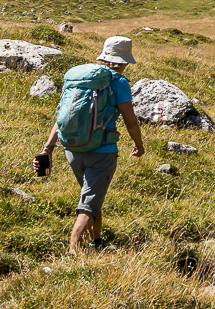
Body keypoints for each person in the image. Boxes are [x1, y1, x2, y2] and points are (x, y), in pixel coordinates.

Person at [36, 36, 144, 256]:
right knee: (88, 205)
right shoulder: (118, 82)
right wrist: (139, 145)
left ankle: (97, 242)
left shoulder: (80, 79)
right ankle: (72, 255)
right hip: (101, 152)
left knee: (93, 197)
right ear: (124, 61)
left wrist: (48, 148)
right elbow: (131, 121)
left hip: (72, 150)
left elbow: (61, 116)